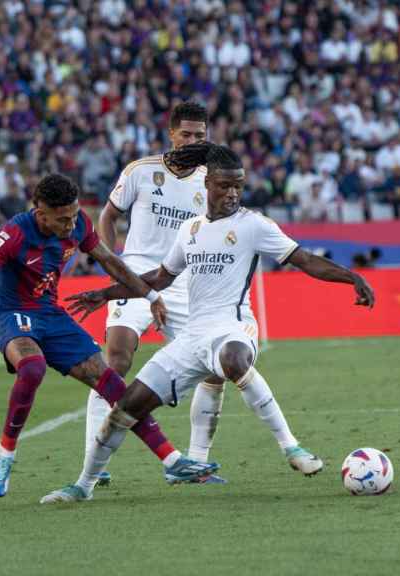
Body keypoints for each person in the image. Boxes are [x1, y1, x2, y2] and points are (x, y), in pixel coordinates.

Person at [40, 143, 374, 504]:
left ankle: (291, 447)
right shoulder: (191, 230)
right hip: (192, 339)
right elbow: (158, 278)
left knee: (232, 361)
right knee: (125, 407)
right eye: (224, 186)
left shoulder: (255, 225)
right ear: (208, 185)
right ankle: (83, 486)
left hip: (233, 327)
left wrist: (351, 277)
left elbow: (306, 260)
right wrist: (104, 294)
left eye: (238, 186)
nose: (231, 193)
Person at [0, 174, 217, 498]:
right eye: (62, 219)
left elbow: (112, 263)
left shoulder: (77, 225)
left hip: (50, 314)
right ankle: (5, 454)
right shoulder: (16, 233)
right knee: (32, 368)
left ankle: (171, 459)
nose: (70, 224)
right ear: (40, 212)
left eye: (74, 215)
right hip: (10, 313)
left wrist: (149, 296)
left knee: (113, 384)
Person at [89, 103, 298, 487]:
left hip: (184, 282)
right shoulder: (140, 171)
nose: (192, 141)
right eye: (185, 134)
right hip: (137, 273)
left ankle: (197, 462)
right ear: (171, 134)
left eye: (199, 136)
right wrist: (111, 261)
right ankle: (95, 460)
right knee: (116, 359)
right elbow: (108, 215)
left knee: (213, 369)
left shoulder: (211, 180)